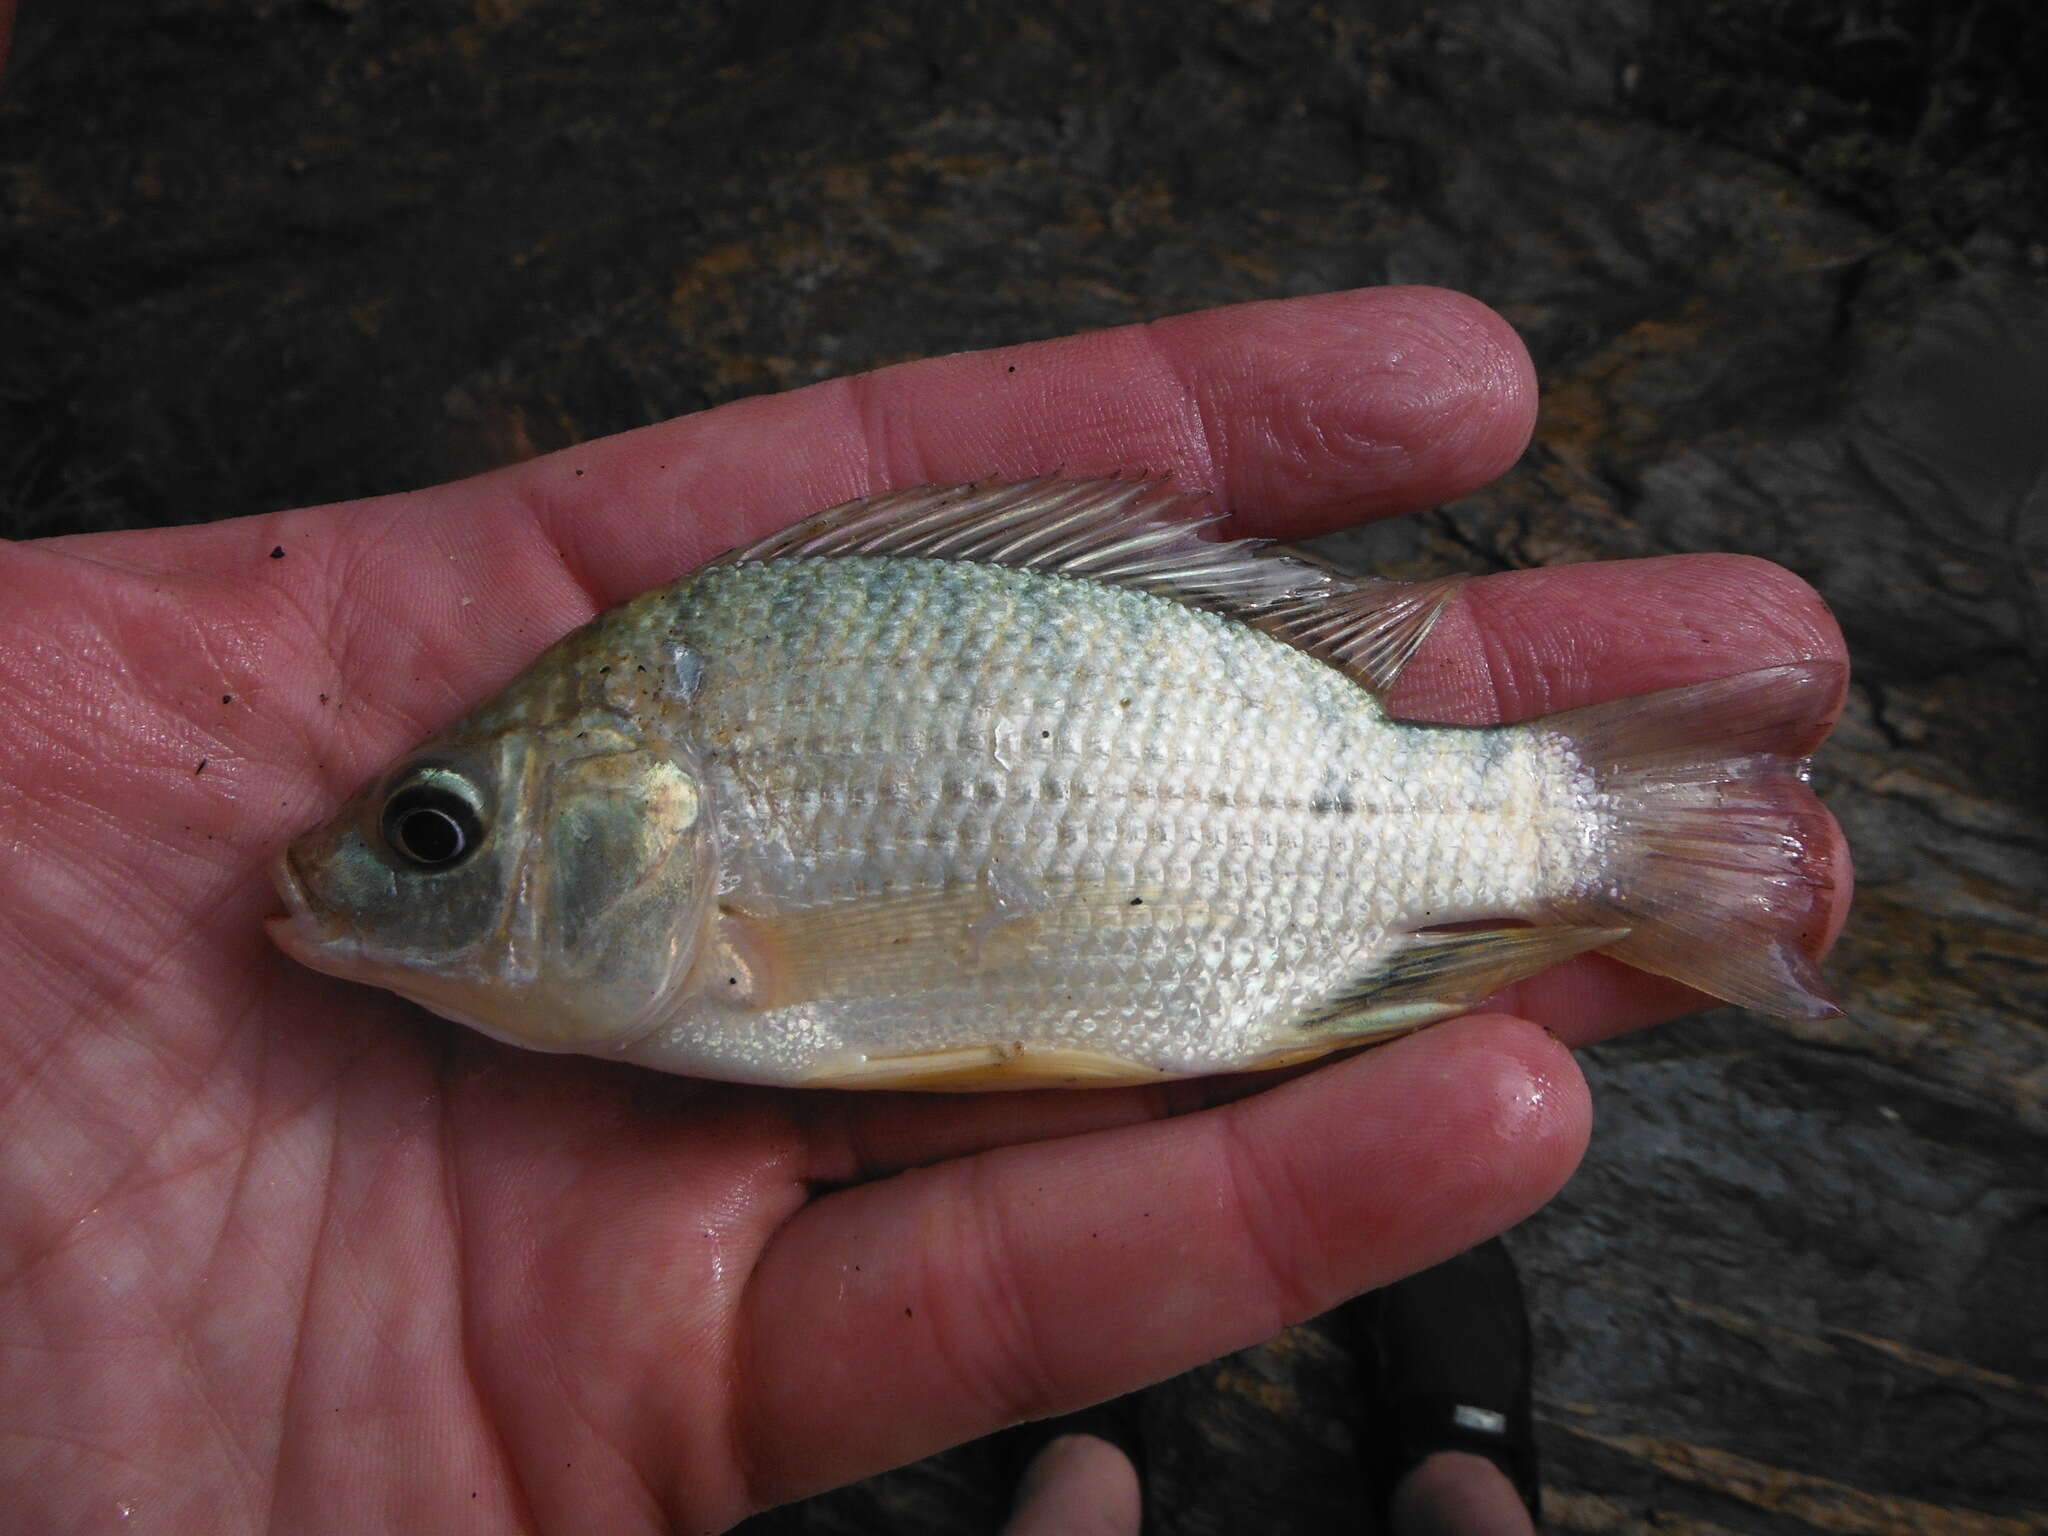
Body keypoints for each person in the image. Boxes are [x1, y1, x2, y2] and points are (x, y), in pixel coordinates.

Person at [0, 285, 1851, 1532]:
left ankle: (1080, 1458)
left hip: (1288, 856)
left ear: (623, 825)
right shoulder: (649, 835)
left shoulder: (699, 882)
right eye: (434, 835)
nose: (360, 871)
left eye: (436, 832)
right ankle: (1443, 1478)